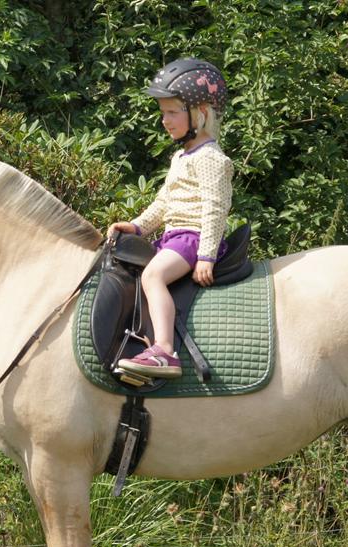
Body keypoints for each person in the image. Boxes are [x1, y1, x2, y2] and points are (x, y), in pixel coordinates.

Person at [110, 58, 234, 379]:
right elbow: (163, 203)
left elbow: (214, 208)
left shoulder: (211, 159)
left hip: (192, 239)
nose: (165, 120)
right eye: (163, 112)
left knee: (153, 276)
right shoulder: (181, 156)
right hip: (175, 236)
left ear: (201, 112)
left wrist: (206, 255)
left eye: (172, 112)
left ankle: (165, 350)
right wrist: (136, 226)